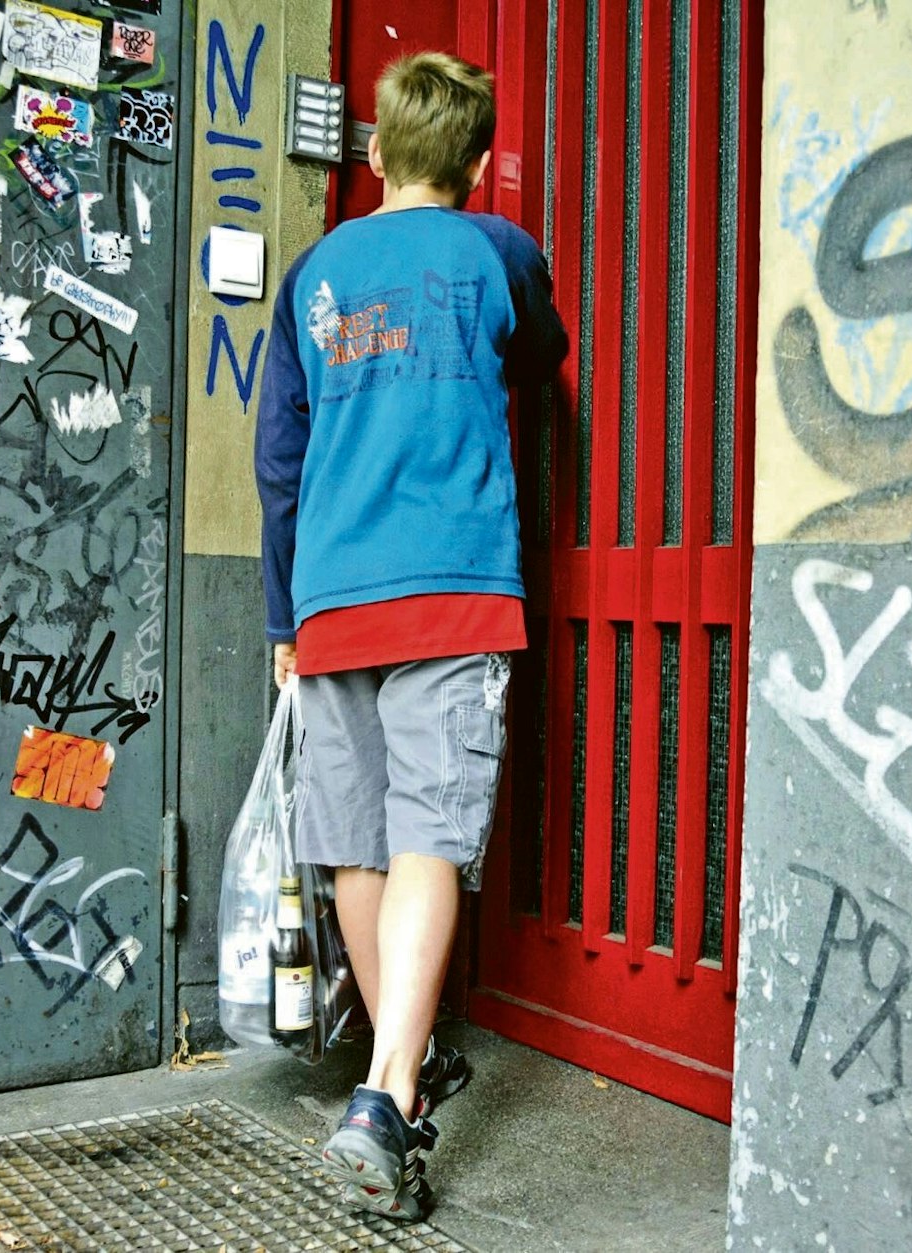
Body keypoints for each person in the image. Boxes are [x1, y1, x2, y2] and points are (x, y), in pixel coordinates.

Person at [254, 50, 568, 1221]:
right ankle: (385, 1095)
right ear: (479, 165)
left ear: (375, 155)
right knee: (431, 838)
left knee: (355, 849)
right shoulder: (496, 254)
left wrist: (283, 618)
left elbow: (277, 461)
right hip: (452, 588)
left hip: (332, 595)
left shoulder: (313, 275)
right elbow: (540, 359)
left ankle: (403, 1066)